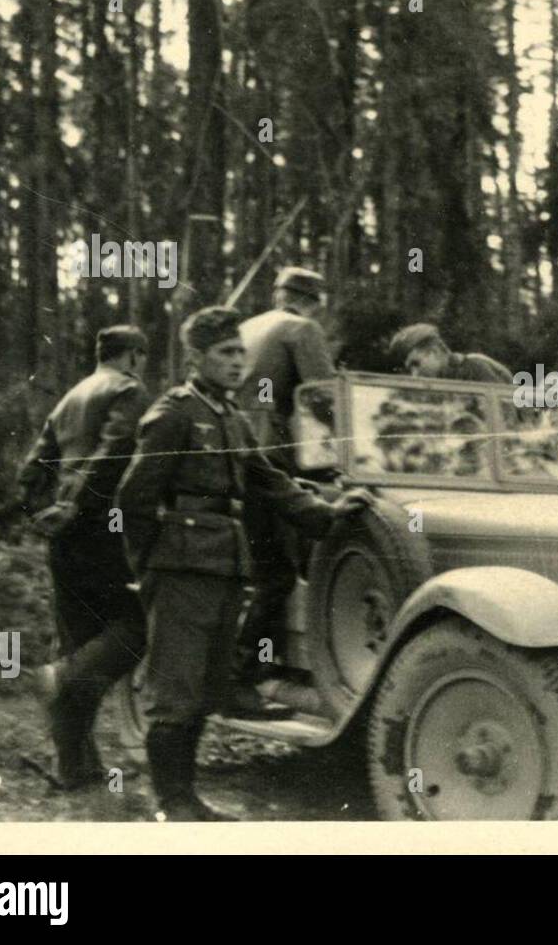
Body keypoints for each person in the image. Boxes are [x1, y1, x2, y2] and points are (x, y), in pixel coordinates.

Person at [115, 306, 367, 821]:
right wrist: (152, 570)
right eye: (225, 354)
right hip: (181, 570)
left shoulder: (228, 416)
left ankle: (189, 799)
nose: (237, 363)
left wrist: (325, 513)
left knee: (208, 686)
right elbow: (132, 500)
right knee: (176, 690)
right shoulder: (175, 413)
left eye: (240, 353)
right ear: (197, 357)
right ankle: (171, 804)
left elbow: (268, 481)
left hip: (226, 565)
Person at [18, 325, 151, 790]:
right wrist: (77, 502)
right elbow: (115, 449)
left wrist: (43, 513)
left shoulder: (69, 398)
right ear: (133, 356)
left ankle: (74, 767)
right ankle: (60, 678)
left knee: (82, 642)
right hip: (104, 527)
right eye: (142, 356)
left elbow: (31, 469)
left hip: (64, 535)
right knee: (135, 629)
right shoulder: (128, 390)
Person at [230, 266, 337, 718]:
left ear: (279, 294)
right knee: (281, 569)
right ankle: (245, 676)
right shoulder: (301, 328)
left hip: (231, 443)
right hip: (269, 448)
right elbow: (324, 398)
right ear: (313, 301)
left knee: (258, 568)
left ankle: (271, 665)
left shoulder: (248, 326)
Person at [386, 323, 514, 384]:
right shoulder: (440, 380)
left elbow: (502, 420)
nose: (414, 376)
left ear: (434, 352)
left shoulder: (475, 368)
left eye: (416, 364)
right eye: (409, 370)